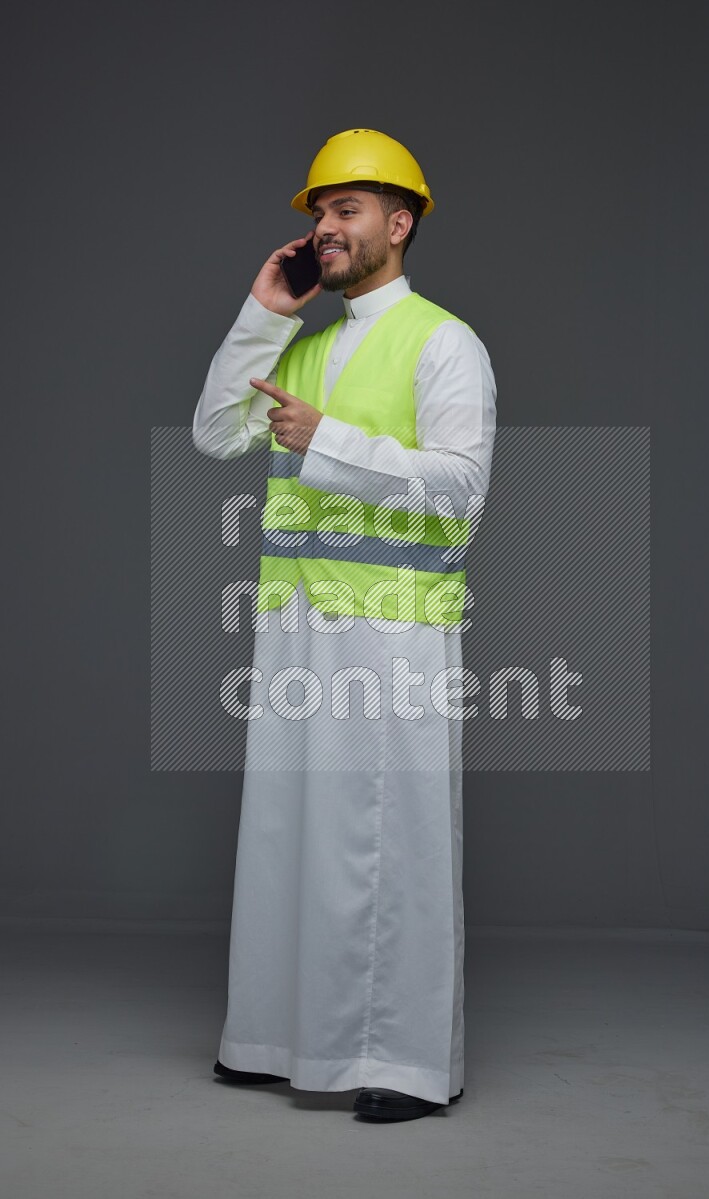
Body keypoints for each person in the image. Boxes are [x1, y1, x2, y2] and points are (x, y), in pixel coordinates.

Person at [192, 128, 497, 1122]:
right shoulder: (306, 344)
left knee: (388, 842)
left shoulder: (444, 341)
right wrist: (260, 313)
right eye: (318, 212)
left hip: (395, 634)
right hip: (296, 629)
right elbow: (212, 435)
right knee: (289, 836)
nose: (324, 226)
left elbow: (459, 490)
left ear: (397, 224)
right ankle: (273, 1038)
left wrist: (330, 443)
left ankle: (403, 1061)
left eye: (346, 210)